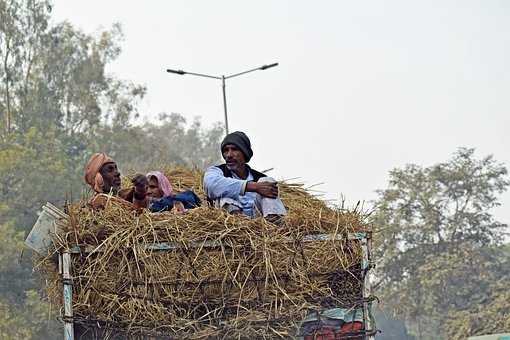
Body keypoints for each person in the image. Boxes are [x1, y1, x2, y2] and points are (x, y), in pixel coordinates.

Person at [203, 131, 286, 222]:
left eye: (234, 149)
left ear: (244, 153)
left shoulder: (259, 178)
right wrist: (253, 187)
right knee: (225, 192)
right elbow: (211, 185)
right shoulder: (217, 171)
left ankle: (274, 226)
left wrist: (260, 186)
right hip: (231, 224)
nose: (229, 155)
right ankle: (241, 226)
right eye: (226, 150)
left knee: (267, 182)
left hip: (260, 224)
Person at [83, 153, 148, 210]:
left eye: (116, 168)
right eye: (110, 170)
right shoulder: (92, 207)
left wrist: (140, 190)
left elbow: (139, 211)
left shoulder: (126, 195)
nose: (118, 173)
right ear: (99, 177)